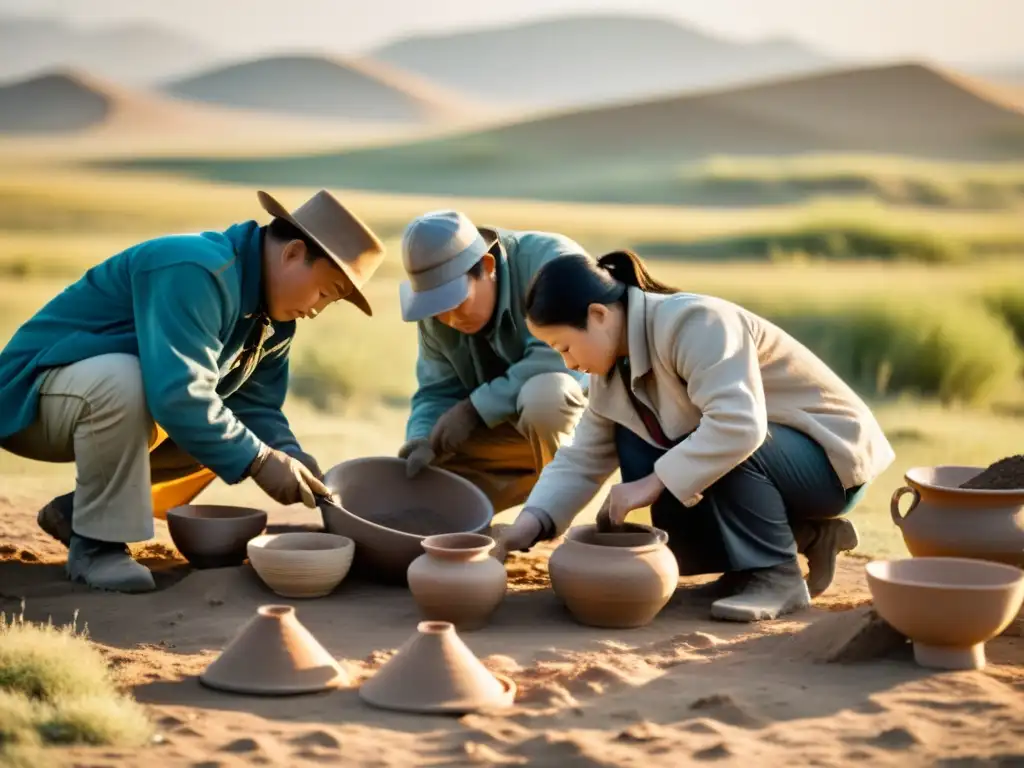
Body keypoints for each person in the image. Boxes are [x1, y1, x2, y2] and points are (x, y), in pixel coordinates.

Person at [0, 189, 386, 593]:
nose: (316, 310)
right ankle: (98, 547)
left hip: (107, 408)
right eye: (325, 292)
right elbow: (178, 395)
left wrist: (287, 453)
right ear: (292, 253)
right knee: (132, 380)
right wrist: (259, 459)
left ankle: (79, 514)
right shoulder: (197, 269)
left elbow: (255, 407)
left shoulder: (273, 321)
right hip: (33, 400)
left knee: (231, 433)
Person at [494, 250, 895, 621]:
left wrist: (651, 483)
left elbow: (738, 426)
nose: (570, 364)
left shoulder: (694, 322)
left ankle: (776, 574)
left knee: (721, 442)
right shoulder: (612, 374)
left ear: (598, 315)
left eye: (565, 346)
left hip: (830, 463)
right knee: (639, 443)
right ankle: (796, 539)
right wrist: (529, 524)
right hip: (778, 467)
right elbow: (581, 458)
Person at [396, 210, 590, 513]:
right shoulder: (436, 315)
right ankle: (463, 519)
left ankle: (552, 512)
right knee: (428, 483)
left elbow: (562, 358)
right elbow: (436, 390)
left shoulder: (552, 264)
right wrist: (420, 439)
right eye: (437, 309)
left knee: (546, 395)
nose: (449, 319)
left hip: (588, 426)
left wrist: (475, 409)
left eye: (456, 301)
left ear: (487, 266)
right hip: (505, 437)